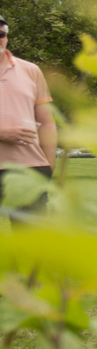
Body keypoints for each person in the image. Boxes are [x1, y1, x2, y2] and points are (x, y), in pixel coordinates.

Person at [0, 15, 57, 215]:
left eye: (1, 33)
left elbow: (47, 122)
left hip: (30, 168)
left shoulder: (31, 70)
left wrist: (48, 166)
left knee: (31, 241)